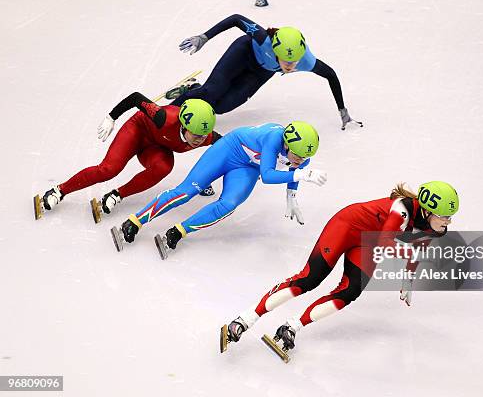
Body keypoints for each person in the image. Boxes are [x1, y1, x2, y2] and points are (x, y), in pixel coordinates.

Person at [221, 181, 460, 357]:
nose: (448, 221)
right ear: (428, 210)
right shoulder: (402, 208)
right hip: (347, 226)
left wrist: (408, 279)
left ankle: (292, 326)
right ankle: (245, 319)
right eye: (445, 216)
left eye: (450, 217)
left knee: (351, 290)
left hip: (368, 242)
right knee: (310, 279)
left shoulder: (434, 227)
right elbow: (387, 242)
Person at [113, 121, 328, 255]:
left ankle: (178, 231)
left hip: (247, 167)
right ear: (287, 144)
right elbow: (268, 175)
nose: (300, 161)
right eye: (297, 156)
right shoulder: (273, 138)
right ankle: (135, 221)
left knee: (229, 204)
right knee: (187, 191)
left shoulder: (302, 157)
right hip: (230, 149)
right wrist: (301, 175)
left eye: (305, 158)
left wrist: (292, 195)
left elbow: (294, 171)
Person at [34, 95, 219, 221]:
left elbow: (227, 149)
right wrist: (111, 117)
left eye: (203, 136)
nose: (199, 140)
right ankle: (59, 191)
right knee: (109, 169)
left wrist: (205, 179)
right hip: (138, 131)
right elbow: (136, 98)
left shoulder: (205, 137)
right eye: (195, 135)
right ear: (184, 126)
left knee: (164, 167)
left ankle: (116, 195)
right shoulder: (164, 117)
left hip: (155, 147)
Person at [176, 14, 362, 130]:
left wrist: (342, 109)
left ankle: (192, 88)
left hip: (260, 73)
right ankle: (164, 112)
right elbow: (235, 18)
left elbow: (331, 75)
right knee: (211, 91)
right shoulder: (262, 38)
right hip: (243, 53)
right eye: (286, 60)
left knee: (221, 107)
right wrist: (204, 37)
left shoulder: (306, 60)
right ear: (274, 50)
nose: (290, 66)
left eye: (294, 61)